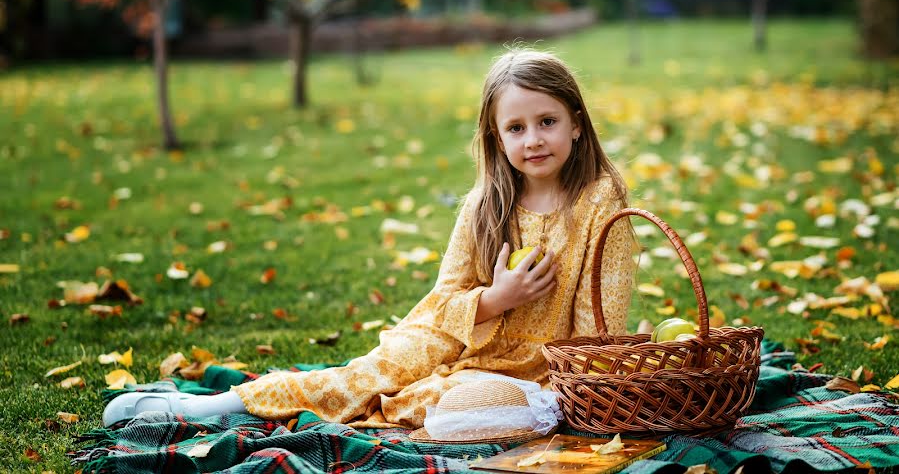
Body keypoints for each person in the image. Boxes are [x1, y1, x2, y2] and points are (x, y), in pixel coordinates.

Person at [103, 48, 637, 428]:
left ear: (576, 124)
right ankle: (219, 407)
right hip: (452, 335)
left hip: (541, 372)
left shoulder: (600, 206)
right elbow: (444, 298)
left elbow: (601, 333)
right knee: (372, 373)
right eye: (516, 128)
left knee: (454, 405)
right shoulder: (485, 204)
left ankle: (355, 403)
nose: (533, 139)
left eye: (547, 121)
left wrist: (574, 391)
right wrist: (497, 299)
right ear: (496, 138)